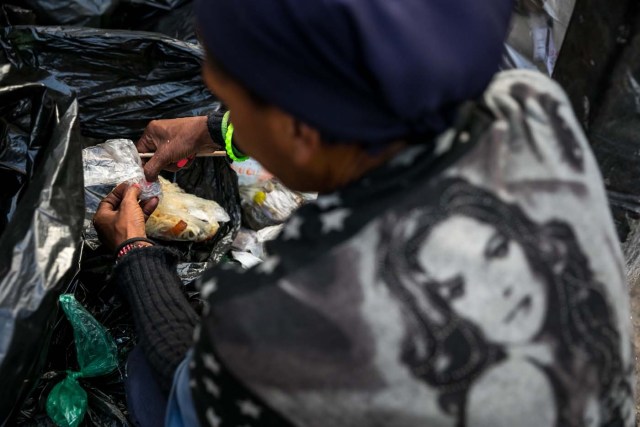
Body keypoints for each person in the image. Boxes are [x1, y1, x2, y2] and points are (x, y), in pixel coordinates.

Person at [92, 0, 636, 425]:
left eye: (226, 94)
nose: (225, 109)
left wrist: (137, 254)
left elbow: (189, 373)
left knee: (148, 386)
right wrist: (216, 132)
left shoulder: (300, 309)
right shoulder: (531, 106)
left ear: (301, 132)